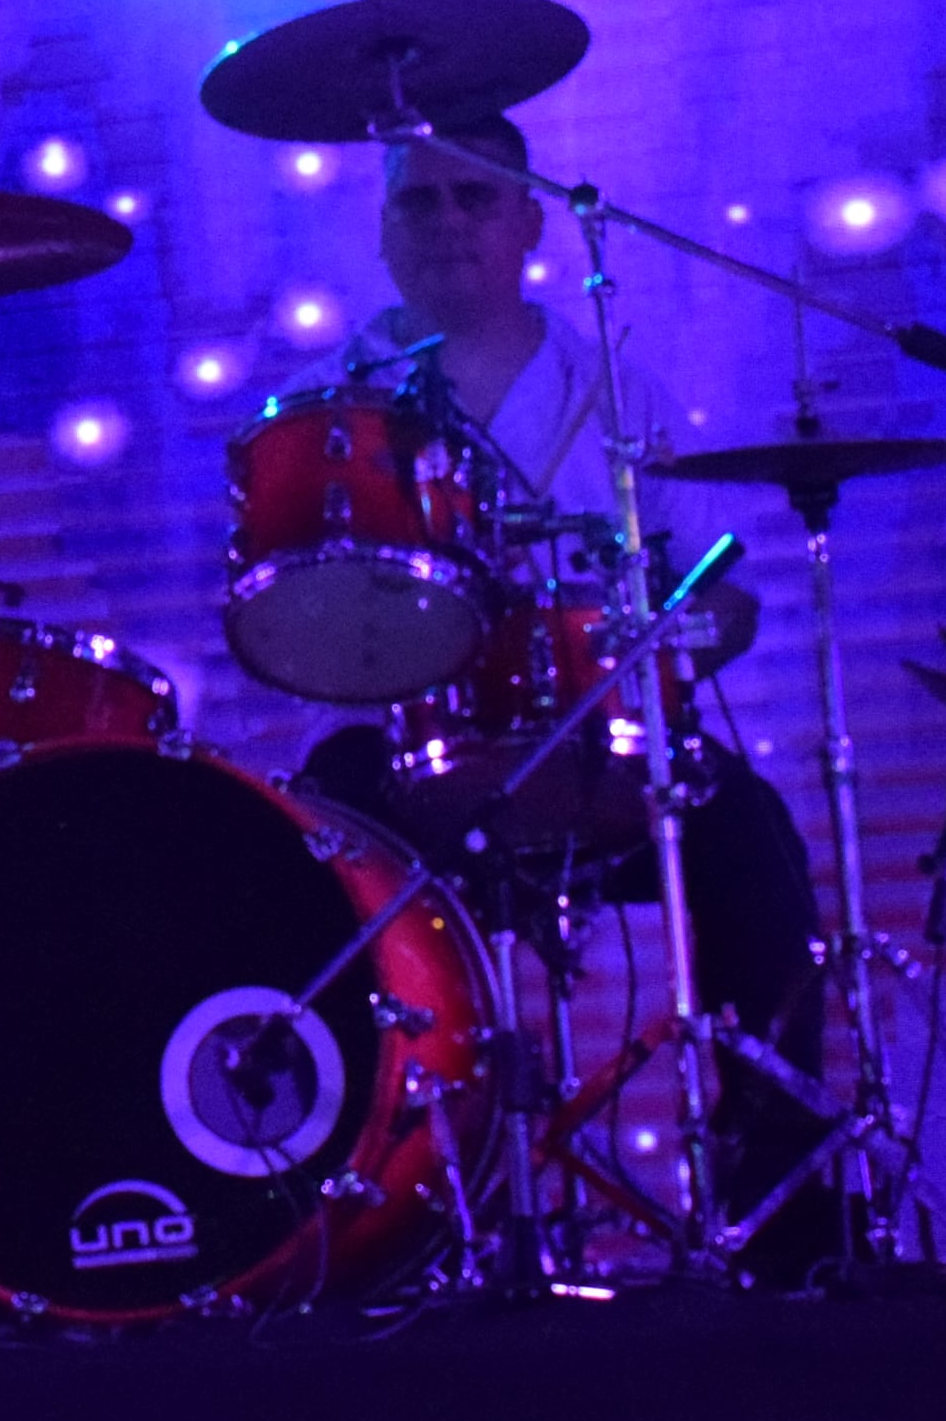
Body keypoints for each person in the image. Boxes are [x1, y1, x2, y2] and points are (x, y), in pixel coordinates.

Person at [305, 117, 845, 1270]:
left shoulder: (614, 383)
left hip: (598, 750)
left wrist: (663, 647)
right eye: (418, 203)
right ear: (381, 232)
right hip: (410, 763)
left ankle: (784, 1217)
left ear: (530, 225)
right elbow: (281, 599)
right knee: (310, 849)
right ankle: (360, 1217)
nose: (446, 223)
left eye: (473, 198)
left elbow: (726, 591)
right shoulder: (325, 400)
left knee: (750, 836)